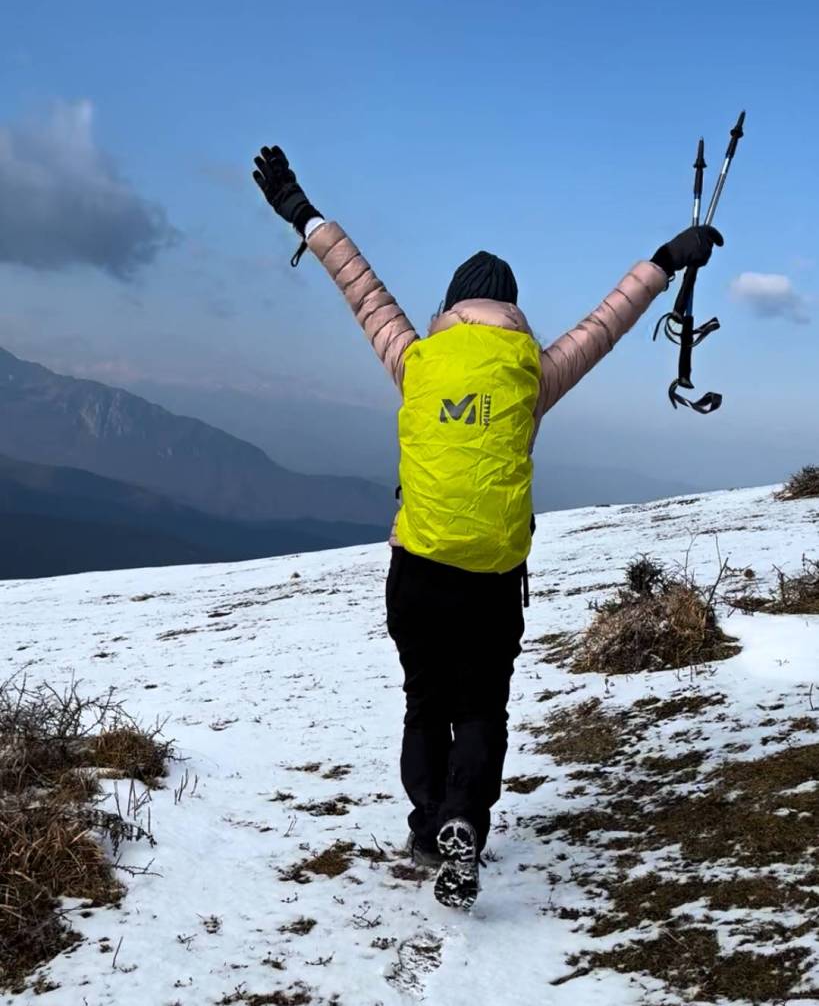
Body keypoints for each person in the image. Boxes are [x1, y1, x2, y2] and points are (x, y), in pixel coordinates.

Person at [252, 145, 723, 909]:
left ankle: (425, 823)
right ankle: (464, 820)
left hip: (418, 572)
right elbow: (607, 322)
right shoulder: (532, 372)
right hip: (492, 581)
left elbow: (360, 288)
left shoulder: (417, 358)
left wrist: (303, 213)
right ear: (510, 310)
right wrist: (666, 259)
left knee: (422, 703)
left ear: (450, 304)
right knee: (478, 708)